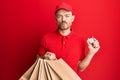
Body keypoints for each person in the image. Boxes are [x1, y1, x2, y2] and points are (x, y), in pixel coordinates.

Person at [39, 2, 100, 75]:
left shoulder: (80, 40)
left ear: (72, 18)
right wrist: (45, 59)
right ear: (55, 19)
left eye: (67, 16)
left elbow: (80, 68)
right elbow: (38, 63)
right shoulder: (46, 38)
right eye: (59, 16)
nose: (63, 19)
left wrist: (91, 53)